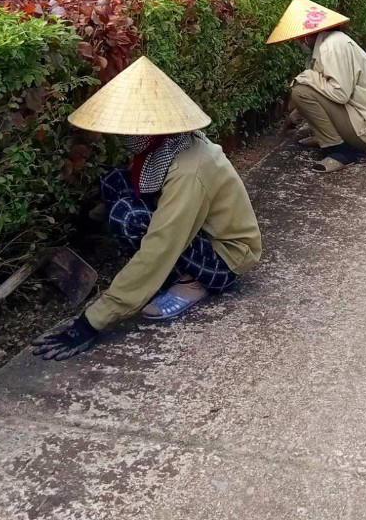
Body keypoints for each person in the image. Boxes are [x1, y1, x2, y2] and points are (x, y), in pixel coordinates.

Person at [31, 57, 262, 360]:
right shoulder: (165, 145)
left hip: (225, 257)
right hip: (199, 231)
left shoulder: (190, 167)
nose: (126, 137)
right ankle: (161, 276)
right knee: (115, 183)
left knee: (130, 218)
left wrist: (92, 321)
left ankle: (191, 283)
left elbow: (161, 244)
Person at [267, 0, 366, 173]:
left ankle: (341, 151)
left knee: (300, 91)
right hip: (358, 117)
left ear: (307, 35)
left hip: (364, 128)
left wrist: (306, 77)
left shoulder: (332, 46)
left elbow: (339, 93)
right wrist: (295, 116)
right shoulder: (328, 43)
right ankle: (325, 137)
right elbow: (322, 91)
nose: (300, 42)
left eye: (300, 38)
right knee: (304, 89)